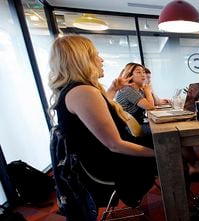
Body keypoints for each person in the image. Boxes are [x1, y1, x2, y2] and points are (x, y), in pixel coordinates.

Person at [48, 35, 157, 207]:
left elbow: (98, 112)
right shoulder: (83, 92)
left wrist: (114, 89)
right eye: (96, 55)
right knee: (170, 145)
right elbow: (115, 144)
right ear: (83, 59)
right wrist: (161, 154)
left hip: (100, 160)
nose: (101, 59)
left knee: (165, 140)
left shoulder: (76, 90)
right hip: (109, 166)